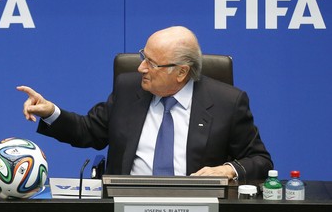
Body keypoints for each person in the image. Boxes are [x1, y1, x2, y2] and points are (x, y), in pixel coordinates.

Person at [18, 26, 272, 181]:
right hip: (126, 208)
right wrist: (51, 112)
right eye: (143, 57)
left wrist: (228, 170)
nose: (141, 68)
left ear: (181, 72)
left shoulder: (227, 102)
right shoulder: (128, 90)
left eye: (151, 63)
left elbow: (260, 160)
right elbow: (88, 131)